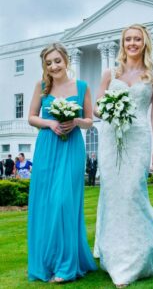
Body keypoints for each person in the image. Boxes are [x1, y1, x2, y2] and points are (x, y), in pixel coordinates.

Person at [93, 24, 153, 287]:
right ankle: (115, 256)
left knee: (132, 193)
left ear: (145, 43)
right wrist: (108, 110)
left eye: (137, 39)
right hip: (110, 138)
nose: (132, 44)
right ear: (122, 43)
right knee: (113, 194)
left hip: (138, 138)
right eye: (128, 39)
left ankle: (135, 258)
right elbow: (95, 110)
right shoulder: (109, 73)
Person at [28, 43, 97, 283]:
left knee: (64, 203)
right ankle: (49, 262)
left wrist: (76, 121)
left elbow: (90, 120)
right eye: (48, 63)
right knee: (47, 204)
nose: (53, 66)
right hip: (47, 146)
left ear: (66, 60)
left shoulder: (82, 87)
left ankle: (67, 266)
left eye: (57, 61)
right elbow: (32, 117)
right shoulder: (42, 86)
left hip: (71, 147)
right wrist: (50, 123)